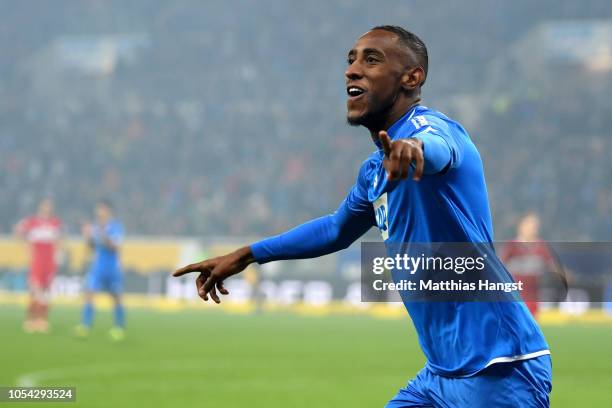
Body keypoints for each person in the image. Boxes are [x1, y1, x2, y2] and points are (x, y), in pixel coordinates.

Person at [173, 26, 552, 407]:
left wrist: (414, 148)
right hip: (440, 374)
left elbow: (440, 148)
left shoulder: (431, 129)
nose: (352, 70)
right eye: (351, 60)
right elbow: (336, 229)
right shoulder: (375, 171)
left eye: (371, 59)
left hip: (500, 370)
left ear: (412, 77)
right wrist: (248, 254)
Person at [75, 200, 126, 341]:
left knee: (116, 297)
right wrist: (87, 237)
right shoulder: (95, 227)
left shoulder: (116, 227)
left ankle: (119, 327)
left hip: (112, 268)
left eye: (102, 209)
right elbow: (92, 246)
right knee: (89, 294)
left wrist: (102, 234)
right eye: (98, 210)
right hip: (98, 267)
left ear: (108, 211)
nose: (99, 213)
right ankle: (85, 325)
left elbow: (114, 247)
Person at [500, 212, 565, 317]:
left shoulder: (541, 246)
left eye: (535, 226)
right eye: (531, 225)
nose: (534, 229)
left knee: (531, 330)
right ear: (521, 226)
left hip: (533, 298)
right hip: (515, 298)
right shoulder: (511, 246)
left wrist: (563, 275)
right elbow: (499, 267)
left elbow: (552, 265)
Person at [13, 198, 62, 333]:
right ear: (40, 207)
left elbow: (59, 240)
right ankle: (30, 319)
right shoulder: (32, 222)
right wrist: (26, 248)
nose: (47, 209)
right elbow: (17, 231)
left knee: (46, 293)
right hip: (37, 262)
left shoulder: (55, 222)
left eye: (49, 206)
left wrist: (59, 255)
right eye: (45, 206)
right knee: (35, 290)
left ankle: (42, 321)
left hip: (50, 262)